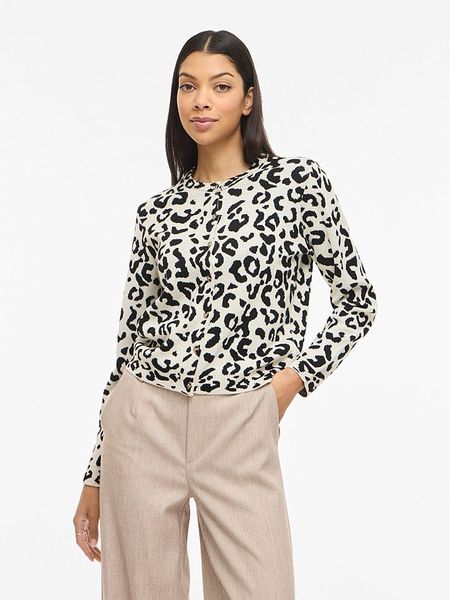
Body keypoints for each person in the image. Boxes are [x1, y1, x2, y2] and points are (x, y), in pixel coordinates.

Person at [73, 29, 378, 600]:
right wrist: (95, 473)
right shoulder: (157, 212)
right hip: (143, 419)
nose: (201, 101)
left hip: (241, 418)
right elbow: (128, 342)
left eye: (220, 86)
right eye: (187, 87)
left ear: (248, 98)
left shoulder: (297, 185)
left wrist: (292, 382)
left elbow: (358, 300)